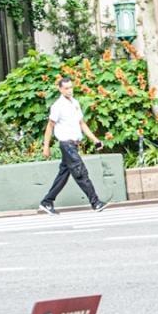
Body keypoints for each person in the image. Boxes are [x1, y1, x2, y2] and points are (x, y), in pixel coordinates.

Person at [39, 76, 107, 216]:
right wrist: (46, 146)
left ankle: (47, 202)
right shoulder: (57, 106)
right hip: (66, 144)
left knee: (63, 175)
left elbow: (82, 123)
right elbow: (50, 126)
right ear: (60, 89)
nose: (70, 90)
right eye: (66, 88)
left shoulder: (75, 103)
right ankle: (96, 203)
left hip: (73, 145)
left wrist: (95, 140)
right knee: (80, 172)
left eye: (71, 87)